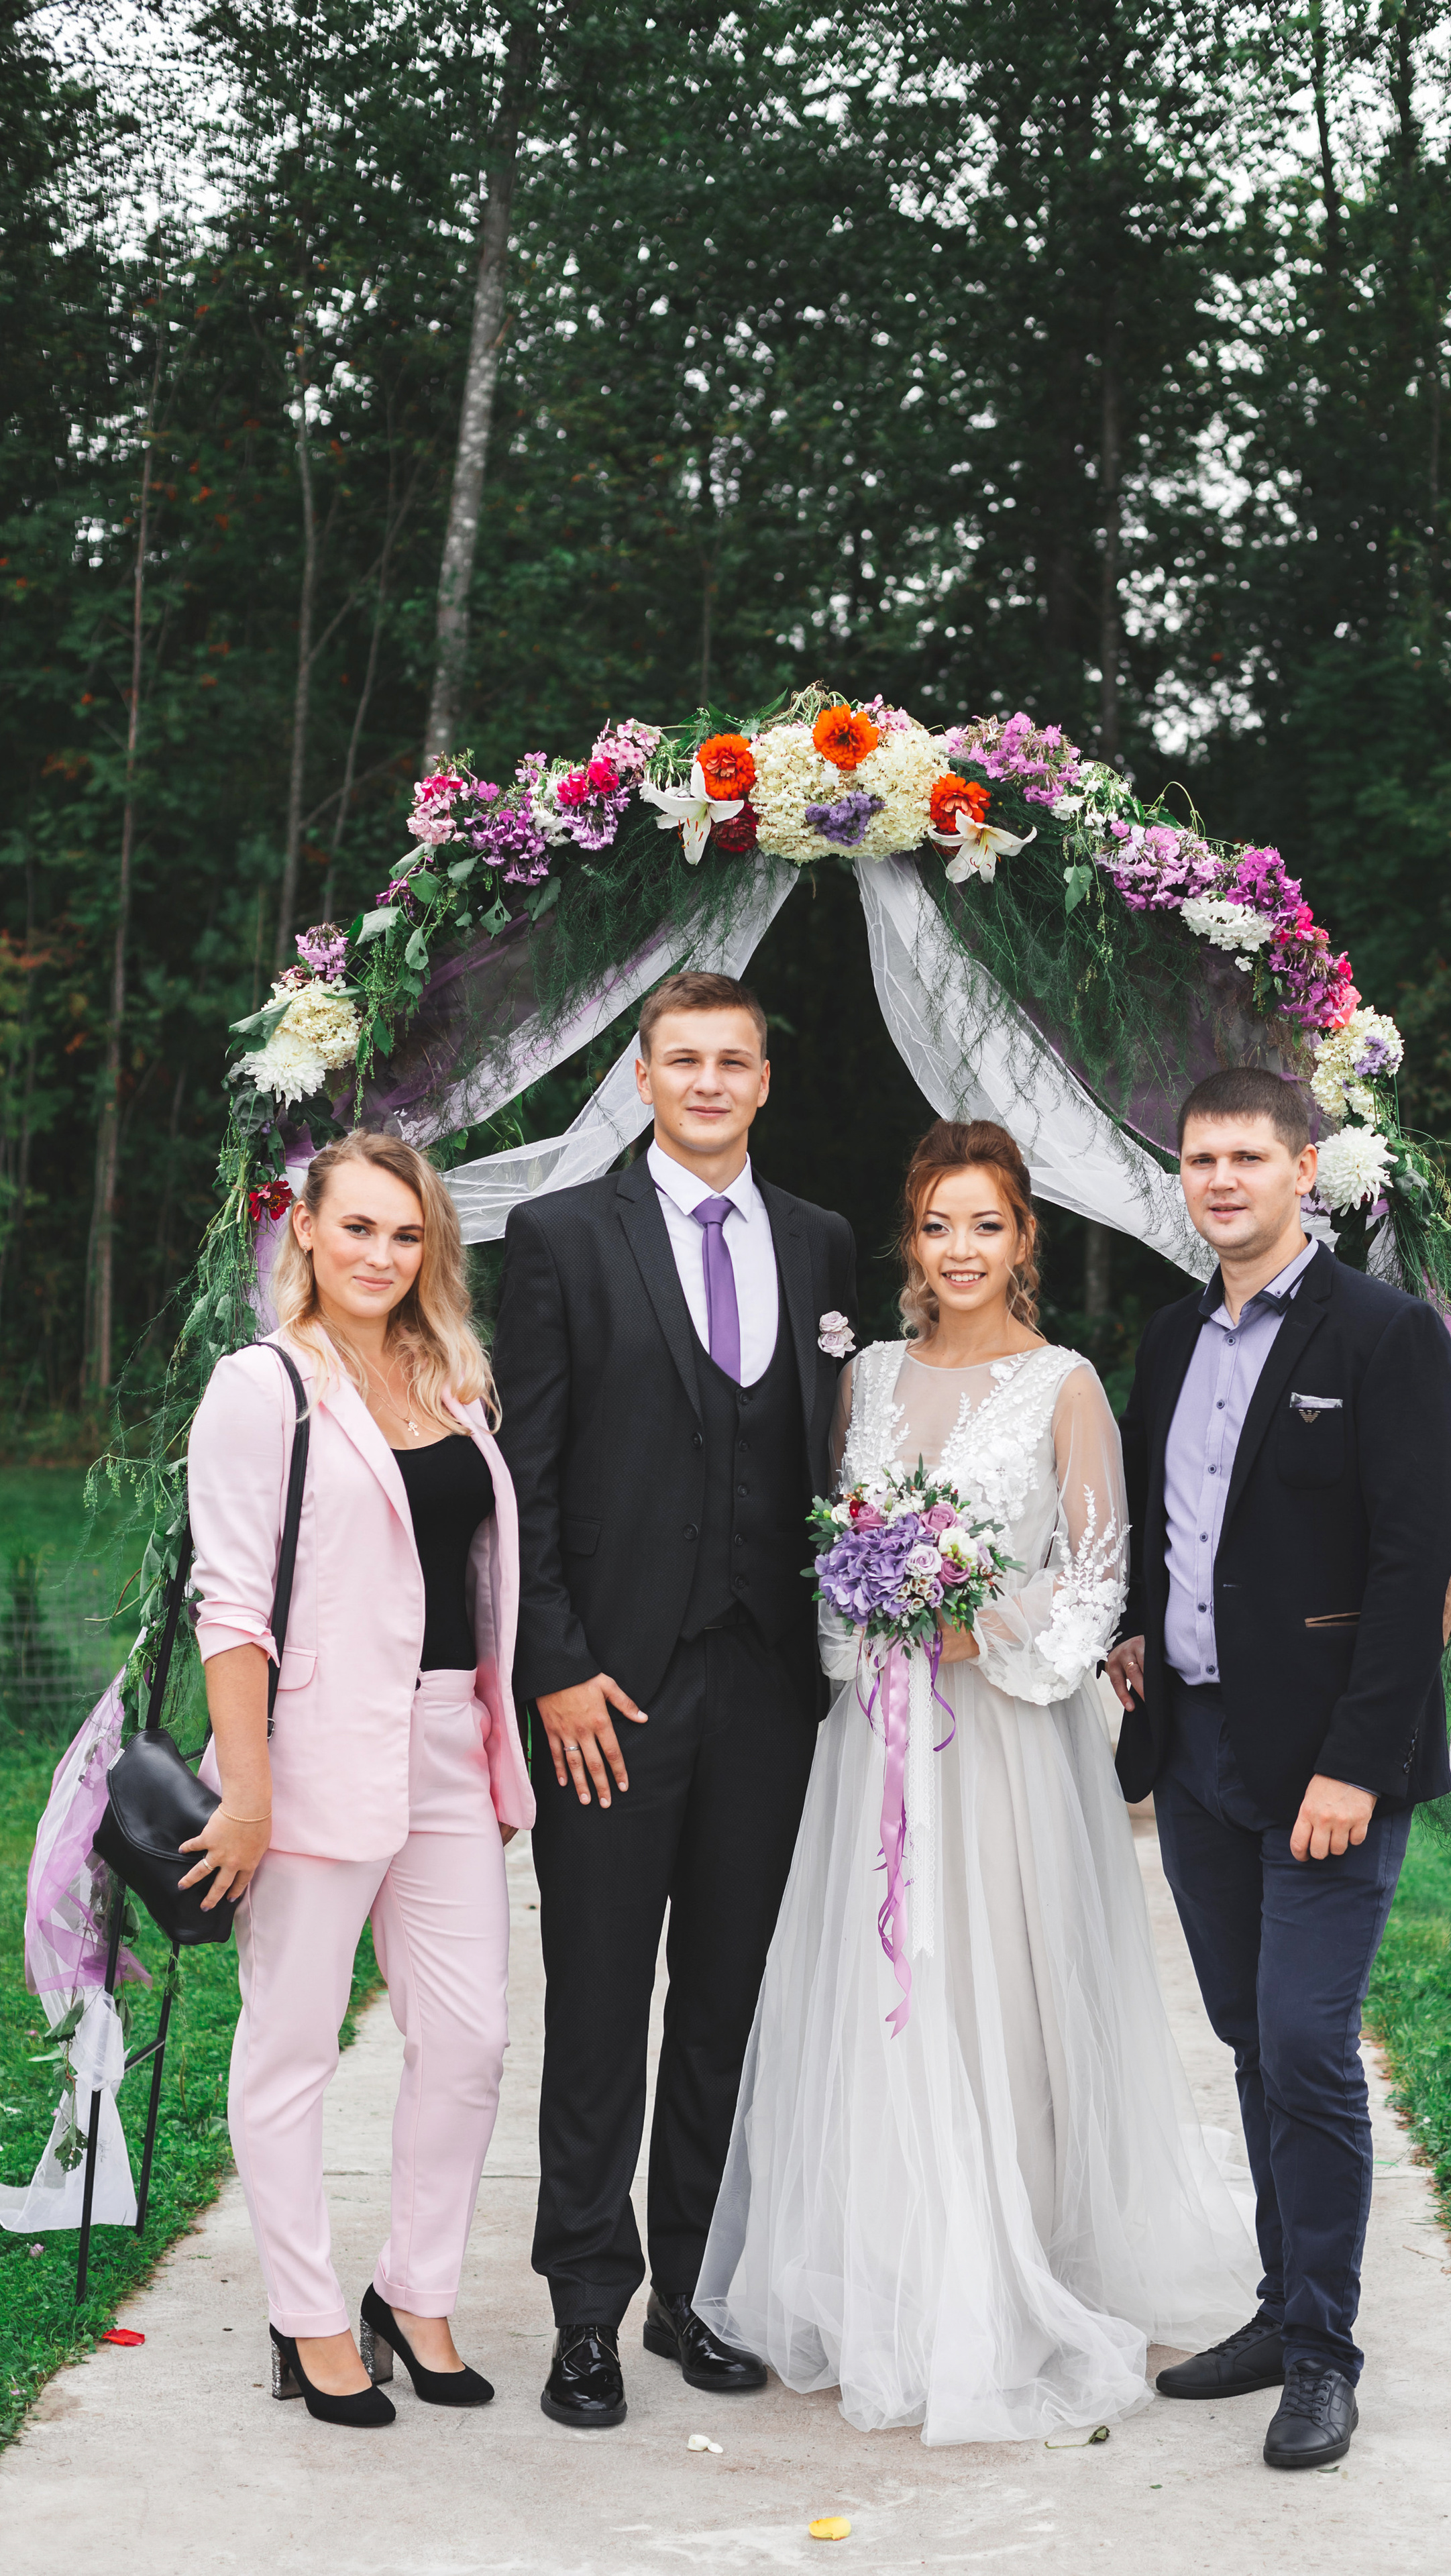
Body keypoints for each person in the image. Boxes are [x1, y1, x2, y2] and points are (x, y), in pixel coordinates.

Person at [696, 1118, 1256, 2445]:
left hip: (1002, 1741)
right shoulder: (869, 1378)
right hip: (876, 1737)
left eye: (984, 1225)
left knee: (995, 1993)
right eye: (938, 1224)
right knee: (878, 1993)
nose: (959, 1249)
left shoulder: (1061, 1382)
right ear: (912, 1238)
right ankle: (891, 2265)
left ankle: (1010, 2268)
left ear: (1022, 1241)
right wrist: (872, 1627)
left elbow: (1096, 1572)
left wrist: (982, 1633)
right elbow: (832, 1542)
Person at [492, 969, 857, 2430]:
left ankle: (689, 2292)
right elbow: (524, 1481)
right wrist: (557, 1667)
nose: (708, 1082)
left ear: (764, 1081)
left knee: (723, 2007)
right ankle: (584, 2307)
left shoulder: (822, 1244)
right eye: (681, 1059)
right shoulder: (560, 1236)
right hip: (608, 1694)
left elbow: (839, 1455)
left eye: (733, 1061)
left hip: (769, 1683)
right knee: (595, 2005)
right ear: (641, 1078)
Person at [1105, 1065, 1451, 2471]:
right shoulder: (1162, 1341)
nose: (1219, 1181)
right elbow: (1170, 1528)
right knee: (1250, 2043)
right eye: (1198, 1160)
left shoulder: (1383, 1338)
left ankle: (1323, 2353)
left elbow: (1407, 1564)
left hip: (1325, 1769)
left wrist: (1354, 1767)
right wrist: (1136, 1635)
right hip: (1193, 1750)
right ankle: (1277, 2304)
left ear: (1301, 1170)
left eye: (1246, 1157)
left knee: (1309, 2046)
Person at [182, 1130, 533, 2428]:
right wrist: (250, 1791)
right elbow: (234, 1606)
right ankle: (309, 2317)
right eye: (359, 1229)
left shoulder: (452, 1377)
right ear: (306, 1235)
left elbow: (471, 1578)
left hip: (447, 1743)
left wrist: (492, 1742)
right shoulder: (259, 1387)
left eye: (406, 1234)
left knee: (471, 2040)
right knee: (290, 2047)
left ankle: (416, 2293)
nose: (381, 1255)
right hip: (314, 1756)